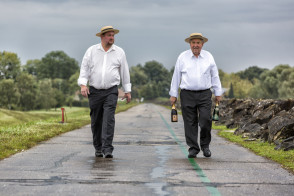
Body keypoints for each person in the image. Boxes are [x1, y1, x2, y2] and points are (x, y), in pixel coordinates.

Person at [78, 26, 131, 158]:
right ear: (102, 37)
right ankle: (98, 147)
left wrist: (127, 90)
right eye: (109, 35)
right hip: (95, 91)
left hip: (111, 91)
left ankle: (107, 149)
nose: (112, 37)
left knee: (108, 119)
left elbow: (124, 72)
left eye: (113, 35)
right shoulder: (91, 51)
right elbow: (84, 69)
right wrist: (83, 84)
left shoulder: (119, 52)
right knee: (96, 121)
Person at [169, 33, 222, 158]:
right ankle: (193, 148)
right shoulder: (182, 57)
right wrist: (173, 94)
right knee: (190, 122)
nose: (195, 45)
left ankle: (205, 146)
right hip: (187, 94)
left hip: (204, 94)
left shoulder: (209, 57)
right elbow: (176, 76)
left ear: (202, 44)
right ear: (190, 44)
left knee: (205, 120)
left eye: (198, 43)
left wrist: (218, 92)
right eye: (193, 43)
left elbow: (215, 75)